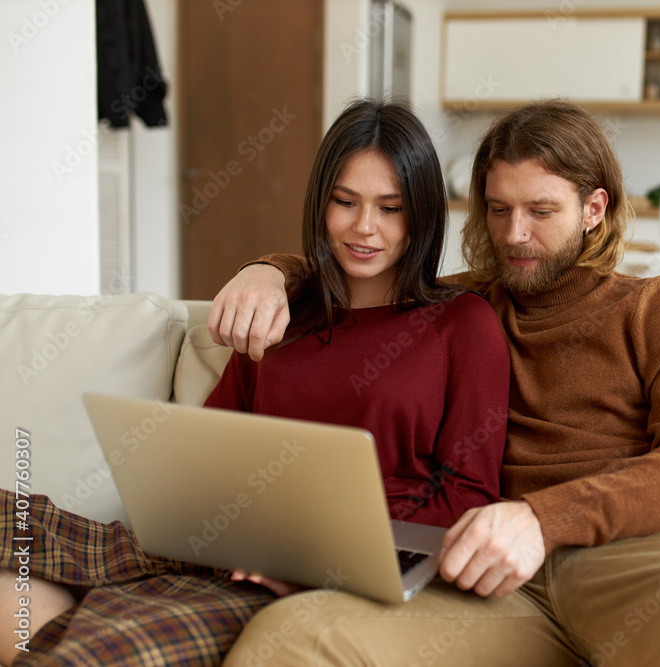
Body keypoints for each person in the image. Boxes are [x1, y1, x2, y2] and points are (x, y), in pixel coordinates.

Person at [211, 100, 660, 667]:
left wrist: (542, 519)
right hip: (497, 581)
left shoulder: (651, 307)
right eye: (497, 210)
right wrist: (268, 272)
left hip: (642, 555)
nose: (514, 235)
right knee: (291, 641)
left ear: (593, 208)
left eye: (540, 211)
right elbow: (368, 268)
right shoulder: (464, 304)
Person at [0, 99, 509, 666]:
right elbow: (207, 443)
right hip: (221, 544)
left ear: (421, 216)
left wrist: (319, 559)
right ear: (321, 204)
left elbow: (469, 493)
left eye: (390, 208)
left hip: (322, 576)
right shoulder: (279, 310)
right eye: (345, 202)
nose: (365, 227)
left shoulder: (463, 326)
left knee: (89, 654)